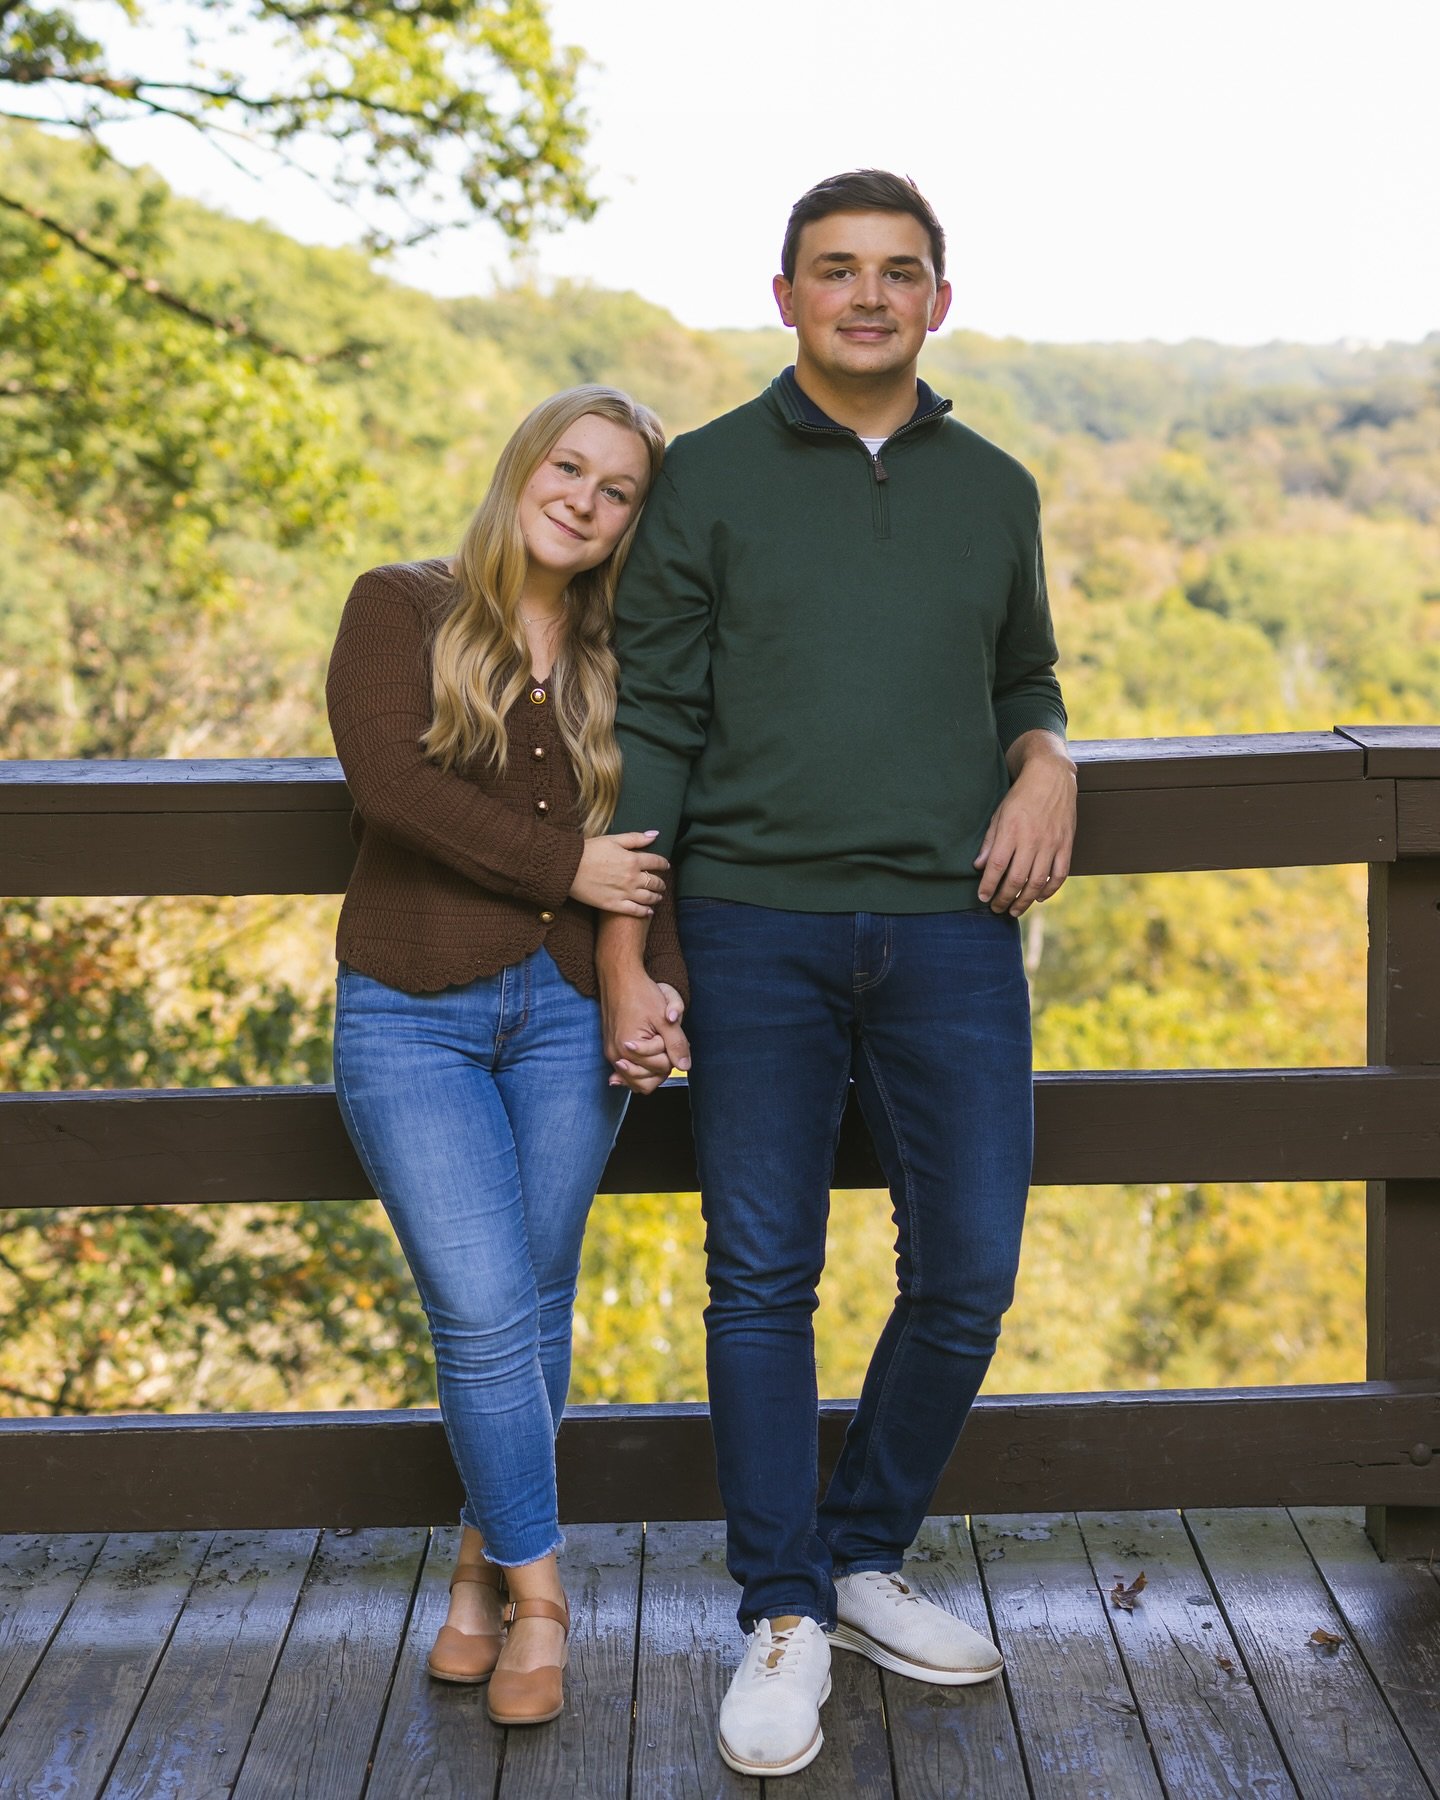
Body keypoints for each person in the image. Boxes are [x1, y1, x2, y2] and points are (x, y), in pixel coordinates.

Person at [597, 171, 1076, 1779]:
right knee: (760, 1277)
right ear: (787, 294)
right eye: (835, 271)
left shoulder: (997, 486)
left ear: (940, 299)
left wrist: (1049, 755)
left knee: (970, 1270)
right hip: (751, 924)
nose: (866, 296)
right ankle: (784, 1609)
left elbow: (1024, 669)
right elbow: (655, 716)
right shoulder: (708, 478)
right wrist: (625, 945)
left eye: (898, 273)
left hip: (950, 928)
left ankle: (865, 1554)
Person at [326, 386, 687, 1729]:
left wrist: (649, 987)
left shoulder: (631, 656)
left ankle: (479, 1581)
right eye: (569, 466)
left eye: (617, 490)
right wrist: (565, 862)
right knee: (481, 1310)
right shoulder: (400, 607)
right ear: (522, 464)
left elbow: (663, 845)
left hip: (563, 1018)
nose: (583, 500)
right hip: (409, 1009)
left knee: (534, 1304)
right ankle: (548, 1600)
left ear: (633, 521)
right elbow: (391, 787)